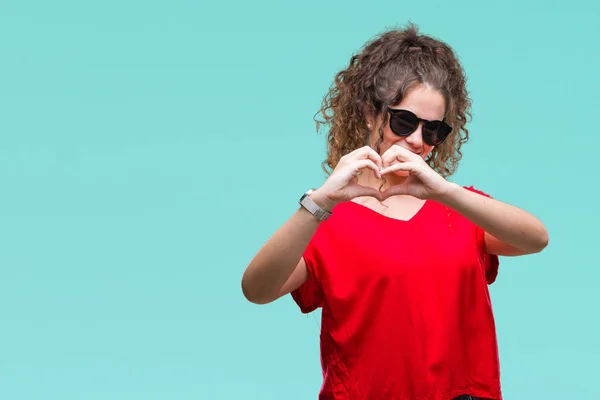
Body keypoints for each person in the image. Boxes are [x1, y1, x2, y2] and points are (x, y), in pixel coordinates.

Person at [241, 23, 548, 400]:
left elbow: (536, 238)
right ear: (372, 114)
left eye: (434, 131)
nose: (418, 141)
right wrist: (319, 203)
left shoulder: (460, 207)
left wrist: (444, 190)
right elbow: (256, 290)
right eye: (405, 122)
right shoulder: (328, 219)